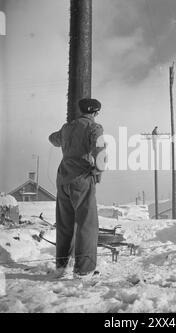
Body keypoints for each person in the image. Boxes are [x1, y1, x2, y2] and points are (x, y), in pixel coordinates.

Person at [49, 98, 105, 279]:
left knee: (65, 224)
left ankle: (61, 267)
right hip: (82, 180)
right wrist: (97, 170)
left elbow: (52, 139)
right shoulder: (94, 128)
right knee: (87, 224)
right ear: (95, 113)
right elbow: (101, 154)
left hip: (63, 179)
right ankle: (84, 270)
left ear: (81, 111)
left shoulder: (66, 128)